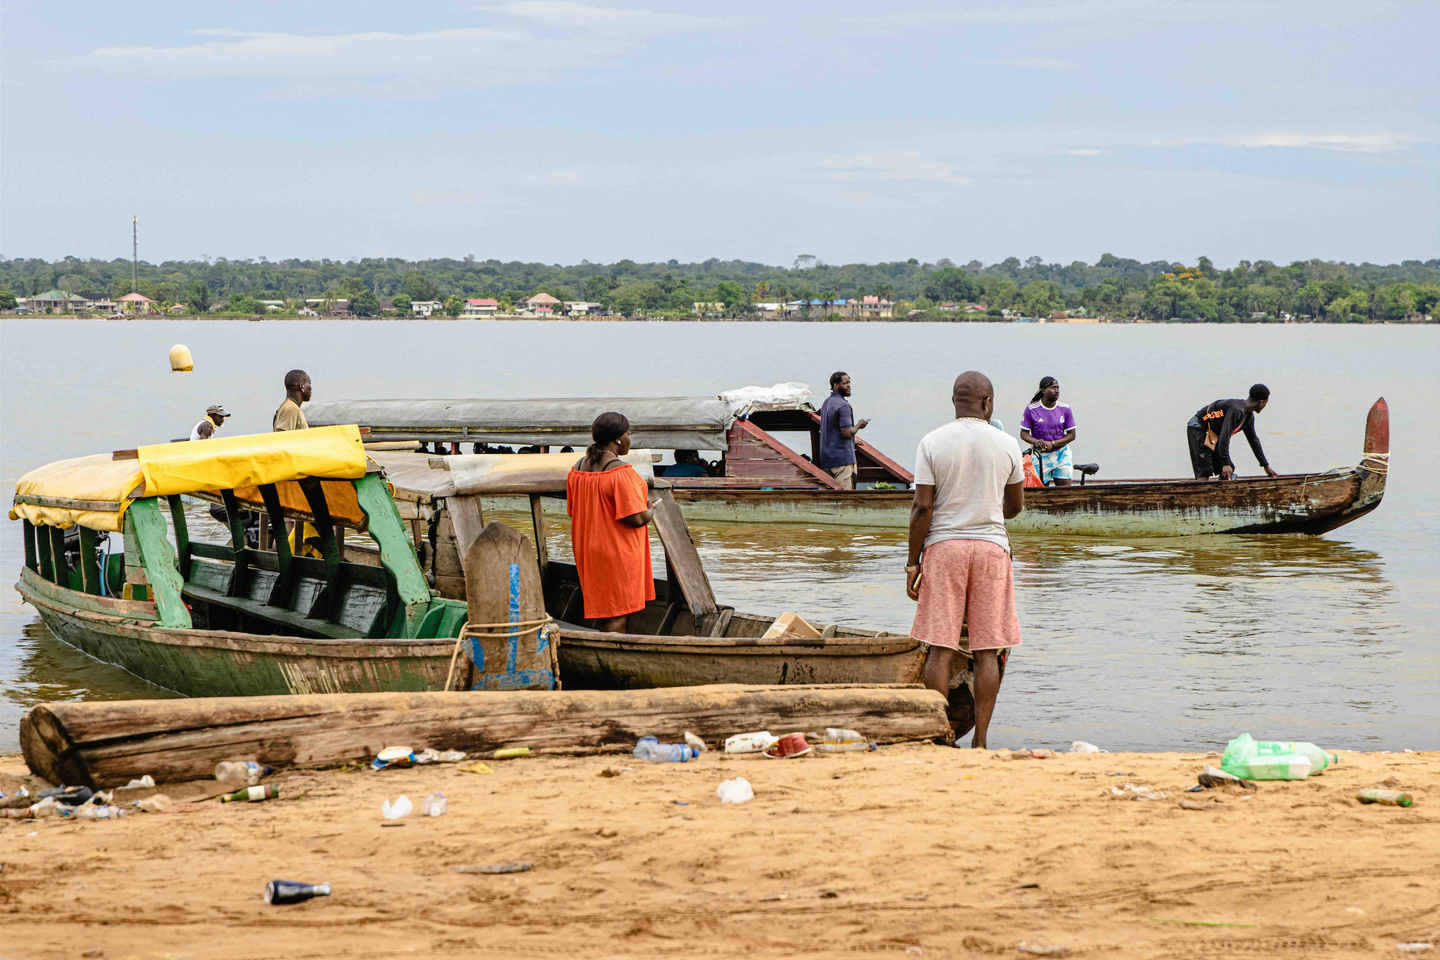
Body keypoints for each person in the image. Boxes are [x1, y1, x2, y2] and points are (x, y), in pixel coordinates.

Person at [905, 371, 1024, 750]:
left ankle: (939, 735)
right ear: (987, 403)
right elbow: (1014, 507)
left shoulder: (932, 442)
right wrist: (986, 508)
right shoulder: (1007, 444)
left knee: (940, 648)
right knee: (987, 651)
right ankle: (982, 741)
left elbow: (922, 508)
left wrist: (912, 563)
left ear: (955, 402)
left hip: (944, 550)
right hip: (991, 551)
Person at [567, 413, 659, 634]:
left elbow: (573, 511)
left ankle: (600, 648)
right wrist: (651, 509)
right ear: (617, 439)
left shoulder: (577, 468)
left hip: (588, 548)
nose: (629, 439)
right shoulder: (620, 472)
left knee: (604, 609)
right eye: (628, 434)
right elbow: (636, 518)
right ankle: (612, 652)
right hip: (616, 551)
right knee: (618, 613)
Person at [1188, 384, 1278, 480]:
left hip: (1213, 434)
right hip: (1198, 427)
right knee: (1205, 471)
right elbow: (1225, 435)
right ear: (1261, 402)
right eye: (1266, 403)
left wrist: (1265, 465)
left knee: (1228, 471)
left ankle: (1222, 489)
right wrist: (1225, 463)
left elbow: (1253, 440)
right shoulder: (1237, 410)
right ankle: (1202, 486)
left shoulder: (1248, 417)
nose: (1265, 406)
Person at [1019, 376, 1077, 486]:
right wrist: (1036, 441)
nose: (1056, 391)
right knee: (1041, 491)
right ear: (1043, 390)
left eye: (1057, 388)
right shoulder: (1031, 409)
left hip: (1061, 455)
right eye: (1053, 388)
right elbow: (1024, 433)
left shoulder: (1065, 409)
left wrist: (1053, 444)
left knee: (1064, 492)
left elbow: (1072, 435)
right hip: (1041, 456)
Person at [817, 371, 869, 489]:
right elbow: (847, 433)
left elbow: (833, 428)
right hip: (842, 461)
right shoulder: (844, 406)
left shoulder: (827, 402)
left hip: (826, 459)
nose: (849, 386)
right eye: (845, 383)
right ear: (836, 385)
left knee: (829, 497)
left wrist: (852, 441)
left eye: (849, 382)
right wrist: (859, 425)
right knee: (845, 496)